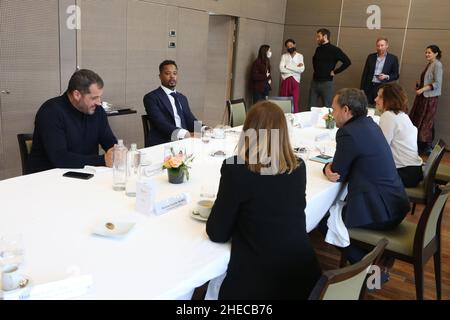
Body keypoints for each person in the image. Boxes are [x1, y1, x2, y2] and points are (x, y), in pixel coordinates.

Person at [206, 101, 321, 299]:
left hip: (258, 284)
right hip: (303, 279)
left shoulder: (236, 170)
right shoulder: (298, 166)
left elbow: (217, 233)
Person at [323, 88, 410, 264]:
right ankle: (374, 258)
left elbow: (337, 174)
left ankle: (366, 265)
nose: (332, 113)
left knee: (323, 217)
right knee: (337, 207)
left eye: (334, 109)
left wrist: (326, 167)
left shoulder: (347, 132)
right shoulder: (370, 124)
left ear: (346, 110)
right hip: (396, 204)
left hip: (380, 213)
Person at [28, 69, 117, 173]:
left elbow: (110, 142)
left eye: (99, 97)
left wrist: (117, 152)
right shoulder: (51, 112)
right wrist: (103, 160)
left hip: (86, 175)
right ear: (77, 95)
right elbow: (60, 159)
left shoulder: (97, 111)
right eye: (94, 98)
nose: (99, 103)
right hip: (49, 178)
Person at [375, 83, 423, 188]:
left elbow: (380, 149)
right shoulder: (402, 115)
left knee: (362, 173)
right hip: (414, 171)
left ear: (390, 99)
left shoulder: (388, 116)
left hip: (404, 173)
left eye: (380, 97)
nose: (375, 99)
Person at [143, 60, 199, 146]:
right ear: (160, 76)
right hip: (163, 143)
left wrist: (204, 129)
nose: (172, 76)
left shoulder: (182, 98)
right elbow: (161, 123)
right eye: (168, 73)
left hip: (184, 142)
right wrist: (185, 134)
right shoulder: (151, 98)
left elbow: (191, 119)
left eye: (175, 73)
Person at [409, 45, 443, 155]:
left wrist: (423, 89)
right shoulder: (430, 64)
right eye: (426, 52)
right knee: (419, 120)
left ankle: (425, 146)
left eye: (429, 52)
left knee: (426, 122)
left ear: (436, 54)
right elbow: (427, 80)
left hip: (430, 98)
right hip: (423, 97)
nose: (427, 54)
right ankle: (421, 146)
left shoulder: (437, 65)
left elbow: (437, 84)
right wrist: (420, 87)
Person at [309, 29, 351, 109]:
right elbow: (314, 61)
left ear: (325, 36)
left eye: (318, 36)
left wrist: (335, 72)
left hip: (327, 83)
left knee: (327, 107)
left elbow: (347, 62)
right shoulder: (318, 49)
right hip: (314, 82)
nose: (317, 39)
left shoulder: (335, 50)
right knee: (311, 107)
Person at [360, 37, 400, 106]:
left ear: (387, 46)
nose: (380, 48)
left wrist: (386, 76)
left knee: (379, 108)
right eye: (378, 46)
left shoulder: (393, 58)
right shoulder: (370, 57)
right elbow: (365, 74)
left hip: (382, 88)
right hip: (369, 86)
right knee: (365, 106)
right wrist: (362, 89)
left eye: (382, 45)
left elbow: (396, 75)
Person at [279, 39, 305, 113]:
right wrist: (295, 68)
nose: (289, 47)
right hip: (285, 81)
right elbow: (281, 69)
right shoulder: (284, 56)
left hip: (295, 82)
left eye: (291, 45)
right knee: (284, 102)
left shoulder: (300, 56)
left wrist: (287, 66)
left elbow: (301, 70)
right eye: (288, 46)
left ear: (294, 45)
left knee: (295, 103)